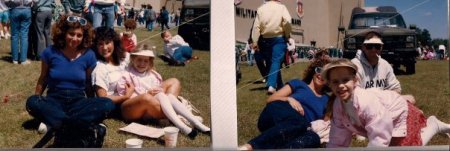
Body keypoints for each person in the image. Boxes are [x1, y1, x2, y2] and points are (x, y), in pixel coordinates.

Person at [25, 15, 115, 147]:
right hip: (54, 100)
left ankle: (60, 124)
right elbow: (43, 78)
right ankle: (77, 125)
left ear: (84, 37)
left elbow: (88, 85)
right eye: (71, 34)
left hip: (78, 102)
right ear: (63, 33)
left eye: (79, 35)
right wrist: (38, 98)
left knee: (107, 104)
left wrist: (92, 103)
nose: (75, 38)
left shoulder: (88, 55)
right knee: (32, 102)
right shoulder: (50, 52)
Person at [322, 59, 450, 147]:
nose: (341, 86)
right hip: (386, 118)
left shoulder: (366, 101)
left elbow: (379, 133)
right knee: (391, 144)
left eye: (345, 80)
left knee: (411, 146)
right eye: (335, 82)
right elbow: (337, 137)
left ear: (355, 80)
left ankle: (434, 125)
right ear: (329, 84)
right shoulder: (338, 105)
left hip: (399, 112)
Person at [239, 58, 331, 150]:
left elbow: (326, 122)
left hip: (294, 130)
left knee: (314, 139)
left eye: (326, 74)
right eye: (319, 70)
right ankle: (249, 147)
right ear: (313, 71)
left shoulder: (327, 99)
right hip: (274, 115)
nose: (321, 75)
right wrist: (289, 99)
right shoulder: (298, 84)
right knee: (299, 123)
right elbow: (271, 99)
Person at [116, 49, 210, 138]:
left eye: (146, 61)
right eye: (139, 60)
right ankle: (180, 124)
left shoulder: (152, 74)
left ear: (150, 63)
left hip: (150, 107)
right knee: (158, 95)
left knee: (167, 94)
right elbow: (127, 97)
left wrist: (159, 91)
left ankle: (195, 123)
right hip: (133, 109)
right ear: (133, 60)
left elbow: (157, 90)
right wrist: (148, 93)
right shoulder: (127, 76)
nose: (142, 63)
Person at [251, 0, 292, 94]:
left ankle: (280, 85)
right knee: (276, 61)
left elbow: (256, 26)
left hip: (265, 39)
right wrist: (287, 34)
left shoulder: (260, 9)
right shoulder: (281, 7)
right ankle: (272, 85)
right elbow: (287, 22)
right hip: (279, 38)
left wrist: (255, 41)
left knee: (272, 63)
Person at [5, 0, 33, 64]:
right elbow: (36, 1)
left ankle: (15, 59)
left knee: (14, 34)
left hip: (14, 9)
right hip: (26, 9)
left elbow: (5, 1)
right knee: (24, 35)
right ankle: (23, 60)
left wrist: (10, 4)